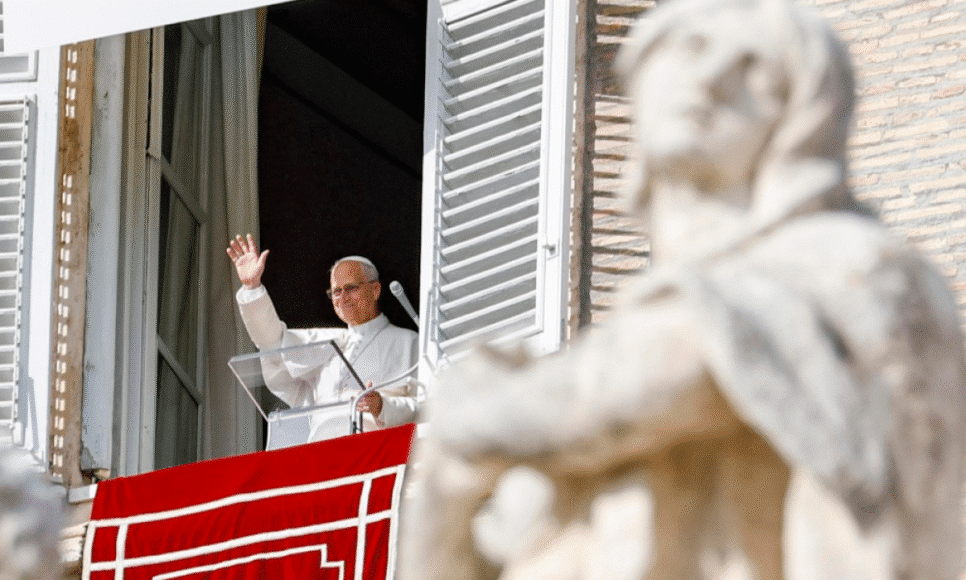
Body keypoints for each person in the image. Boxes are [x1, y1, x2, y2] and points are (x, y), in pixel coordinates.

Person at [399, 0, 966, 578]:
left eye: (757, 73)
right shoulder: (632, 332)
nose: (714, 79)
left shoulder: (850, 263)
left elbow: (635, 384)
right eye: (691, 48)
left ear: (802, 120)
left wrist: (470, 417)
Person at [227, 234, 419, 440]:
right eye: (336, 291)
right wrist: (252, 288)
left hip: (377, 453)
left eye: (351, 288)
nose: (343, 297)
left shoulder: (408, 342)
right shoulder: (327, 342)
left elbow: (429, 408)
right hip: (320, 454)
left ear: (375, 289)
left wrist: (382, 406)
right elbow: (274, 344)